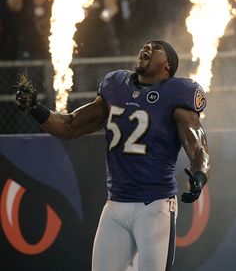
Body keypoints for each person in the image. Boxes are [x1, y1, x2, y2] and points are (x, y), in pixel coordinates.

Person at [15, 39, 210, 271]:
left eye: (156, 47)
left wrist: (199, 176)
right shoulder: (116, 86)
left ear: (167, 65)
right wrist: (35, 109)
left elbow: (198, 147)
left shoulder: (178, 93)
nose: (146, 48)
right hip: (115, 205)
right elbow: (70, 126)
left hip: (154, 205)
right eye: (145, 45)